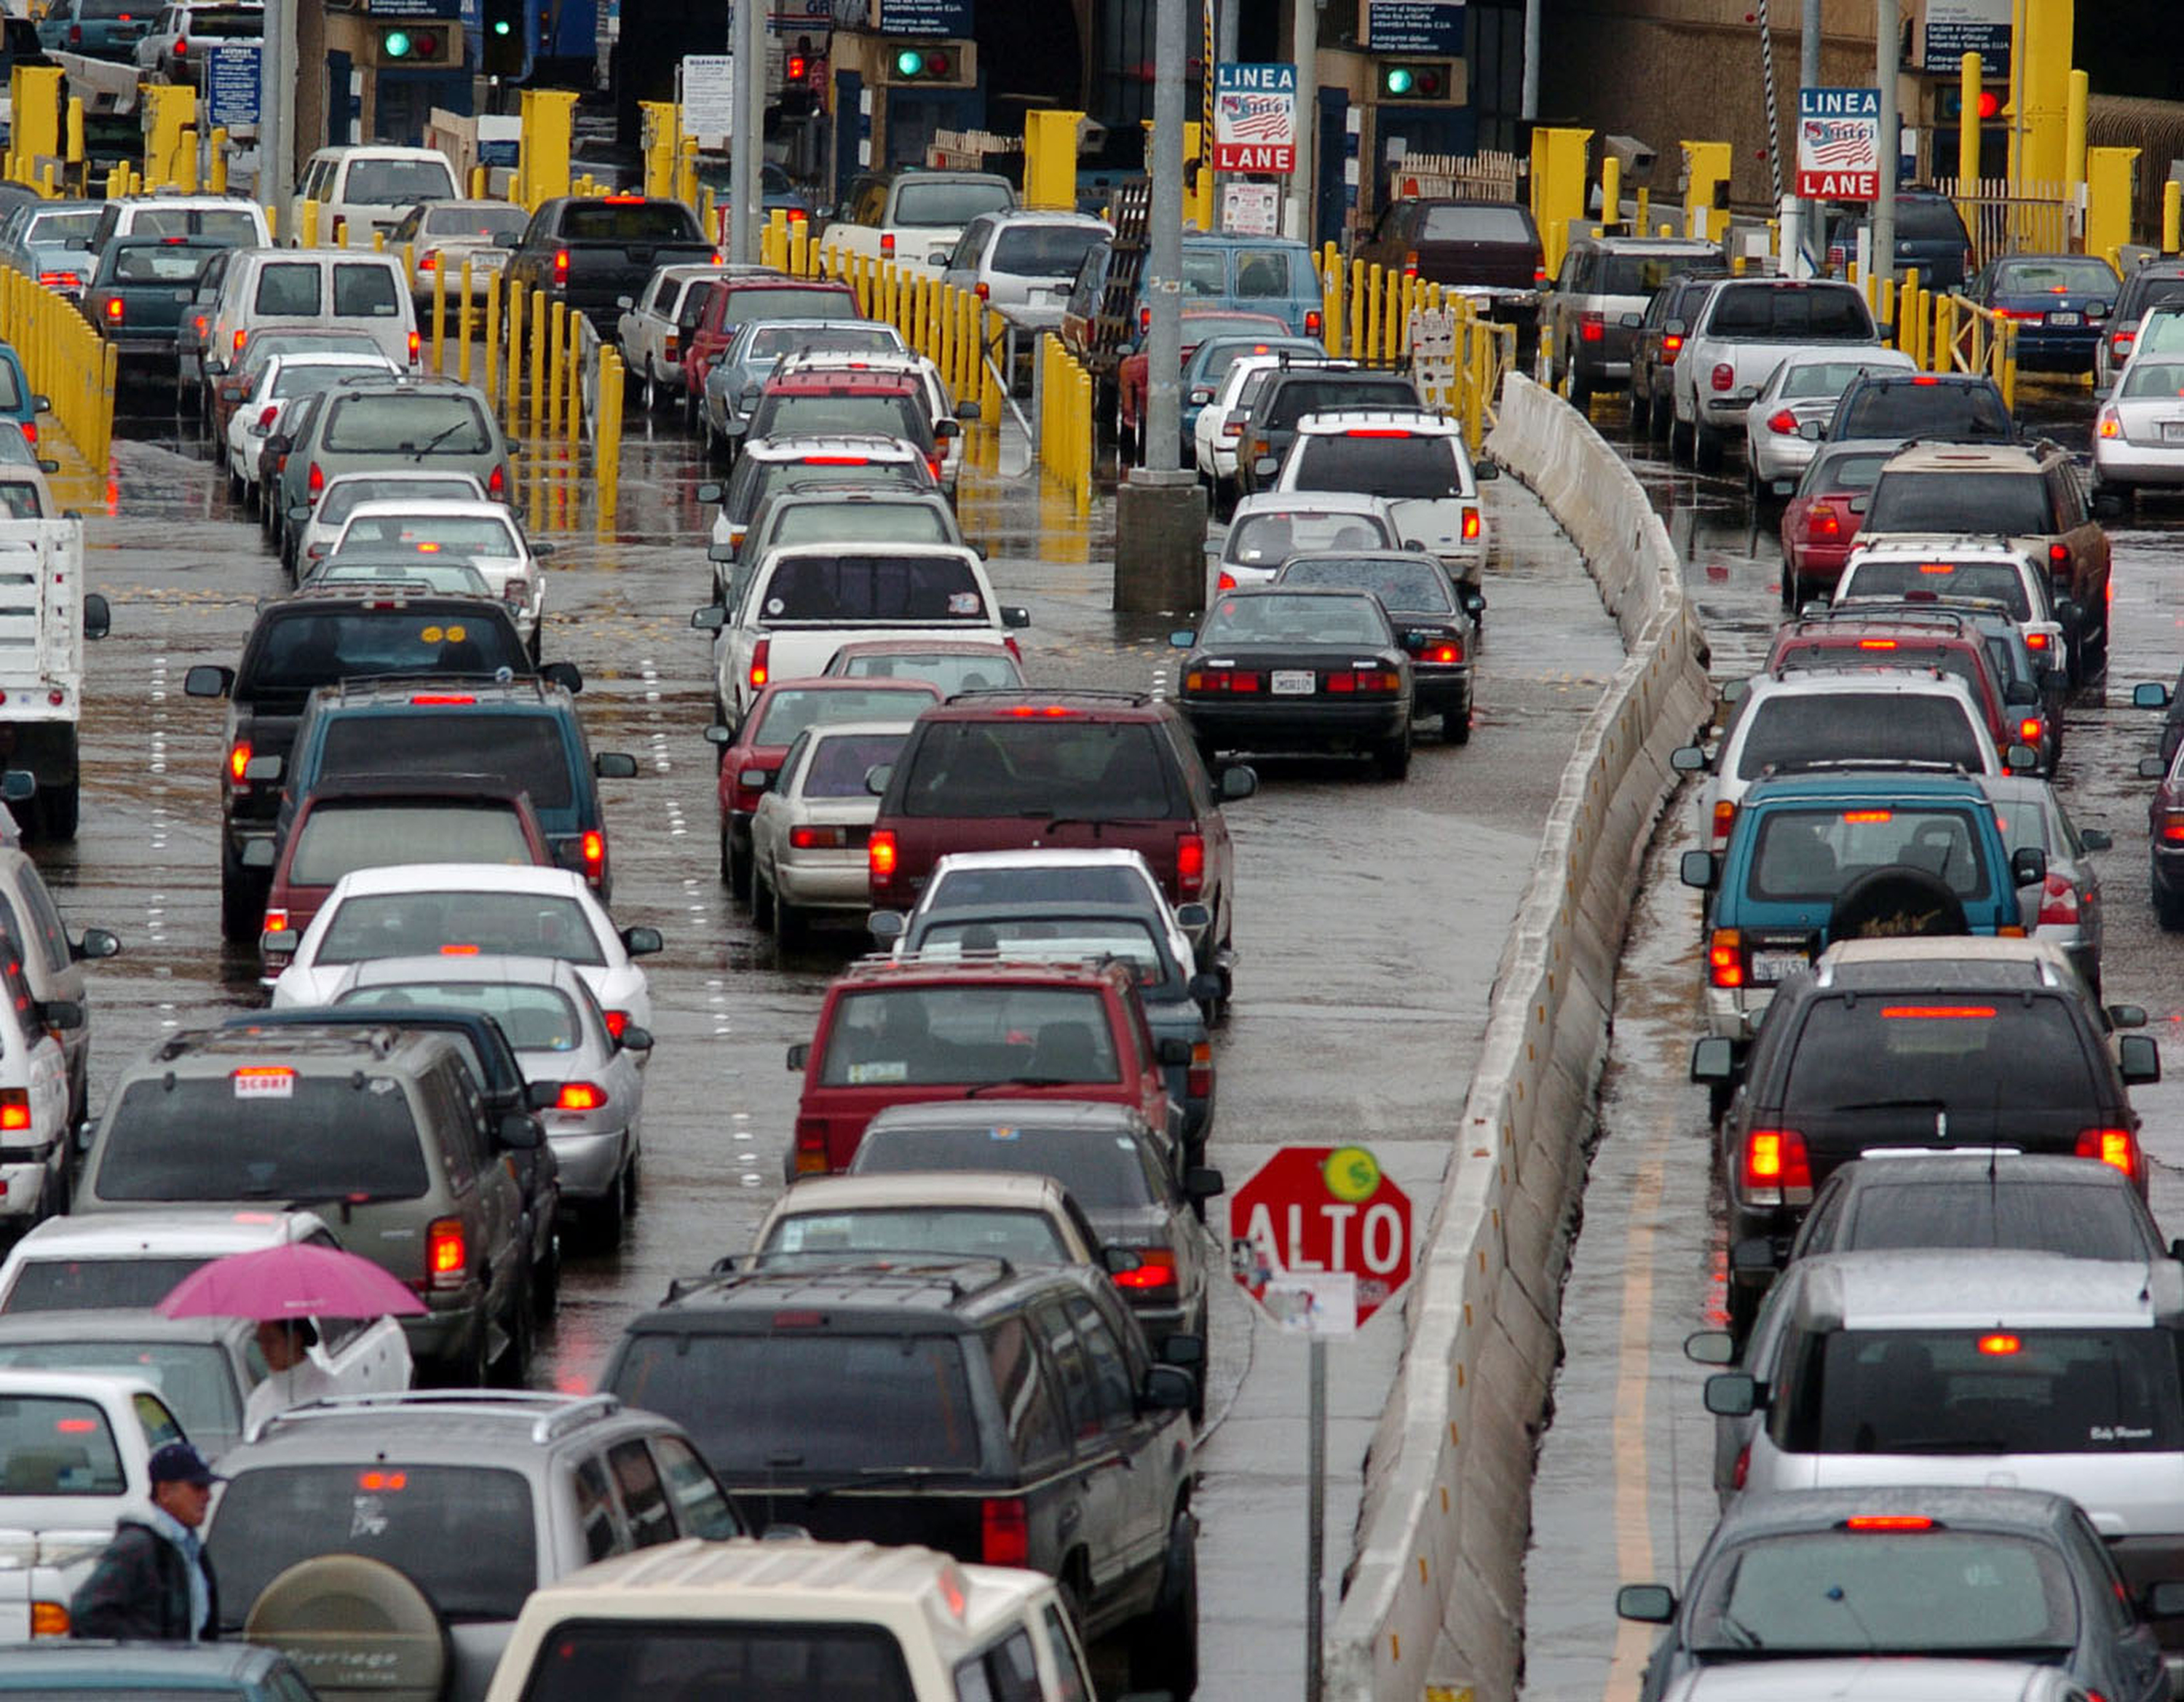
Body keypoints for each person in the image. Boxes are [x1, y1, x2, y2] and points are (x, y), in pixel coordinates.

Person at [69, 1442, 222, 1641]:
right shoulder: (138, 1546)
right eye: (198, 1487)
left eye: (208, 1487)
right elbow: (86, 1612)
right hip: (154, 1668)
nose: (208, 1496)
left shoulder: (190, 1547)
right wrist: (148, 1649)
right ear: (165, 1492)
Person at [242, 1318, 339, 1436]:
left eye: (271, 1341)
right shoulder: (257, 1401)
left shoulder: (330, 1390)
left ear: (296, 1340)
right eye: (260, 1341)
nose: (264, 1349)